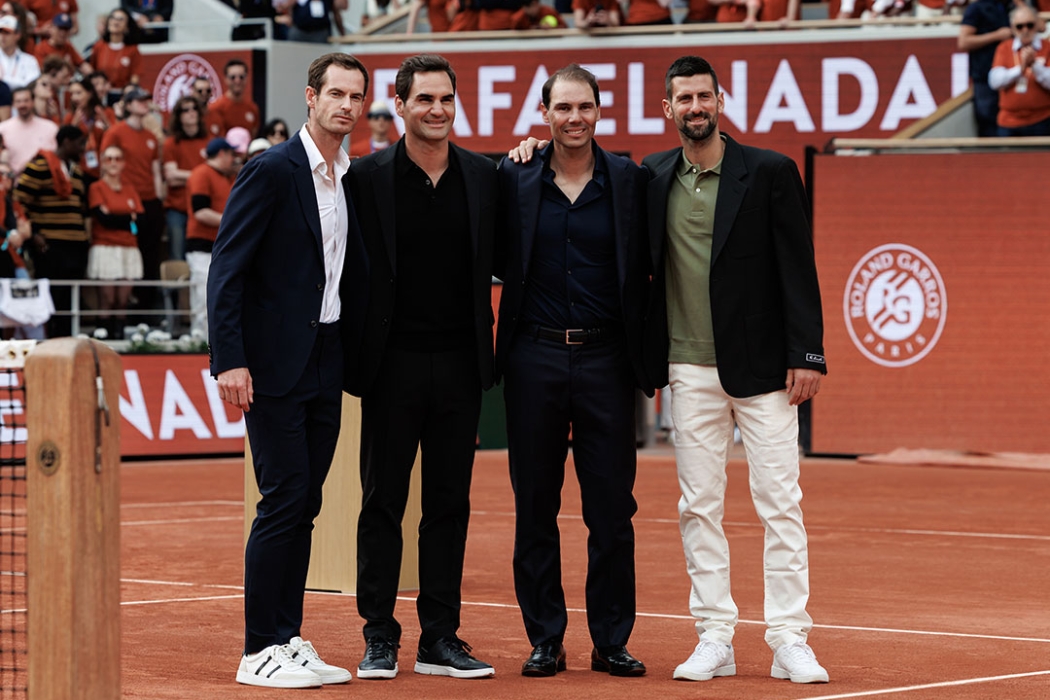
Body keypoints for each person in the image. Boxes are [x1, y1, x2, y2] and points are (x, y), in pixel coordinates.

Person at [642, 55, 828, 685]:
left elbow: (797, 267)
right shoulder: (653, 175)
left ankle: (788, 637)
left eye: (704, 95)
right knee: (699, 506)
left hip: (765, 371)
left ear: (720, 100)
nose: (695, 107)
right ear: (667, 109)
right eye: (683, 99)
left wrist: (806, 355)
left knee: (781, 504)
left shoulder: (771, 172)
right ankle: (714, 635)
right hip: (687, 367)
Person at [207, 52, 369, 690]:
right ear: (310, 97)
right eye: (336, 94)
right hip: (270, 365)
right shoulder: (272, 169)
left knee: (305, 502)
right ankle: (257, 650)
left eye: (355, 97)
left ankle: (286, 635)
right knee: (281, 501)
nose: (346, 106)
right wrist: (230, 359)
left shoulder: (351, 175)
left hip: (327, 361)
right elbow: (228, 268)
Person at [496, 63, 652, 679]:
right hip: (533, 357)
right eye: (563, 108)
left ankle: (611, 639)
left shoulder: (630, 181)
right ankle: (545, 638)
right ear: (545, 112)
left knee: (611, 508)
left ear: (598, 111)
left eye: (585, 107)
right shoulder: (514, 176)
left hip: (608, 359)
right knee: (535, 505)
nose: (574, 118)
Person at [345, 53, 498, 681]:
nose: (437, 109)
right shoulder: (364, 178)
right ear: (400, 107)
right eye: (424, 99)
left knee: (448, 505)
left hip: (461, 366)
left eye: (446, 99)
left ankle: (440, 637)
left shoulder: (485, 178)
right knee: (382, 501)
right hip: (391, 366)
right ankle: (378, 634)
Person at [14, 124, 87, 337]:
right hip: (50, 243)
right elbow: (19, 203)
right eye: (79, 143)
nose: (83, 148)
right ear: (66, 142)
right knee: (51, 295)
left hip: (75, 243)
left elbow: (80, 207)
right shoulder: (38, 166)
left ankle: (66, 338)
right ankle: (49, 339)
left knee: (69, 297)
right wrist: (34, 233)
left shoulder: (77, 170)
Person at [100, 86, 164, 310]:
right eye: (138, 100)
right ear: (127, 105)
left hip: (149, 200)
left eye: (146, 99)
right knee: (126, 255)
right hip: (125, 200)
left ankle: (147, 308)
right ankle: (122, 311)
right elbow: (106, 164)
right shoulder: (116, 132)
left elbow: (156, 170)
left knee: (150, 256)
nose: (144, 103)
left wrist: (158, 199)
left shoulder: (150, 137)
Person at [87, 144, 143, 338]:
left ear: (124, 163)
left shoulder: (129, 188)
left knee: (123, 298)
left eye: (117, 158)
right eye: (109, 159)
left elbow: (140, 218)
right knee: (107, 298)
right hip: (105, 245)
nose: (113, 163)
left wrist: (116, 217)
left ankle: (119, 333)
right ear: (102, 163)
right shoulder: (97, 188)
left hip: (129, 247)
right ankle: (103, 332)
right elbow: (104, 219)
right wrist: (128, 218)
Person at [185, 137, 235, 340]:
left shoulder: (224, 176)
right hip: (202, 245)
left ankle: (213, 340)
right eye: (231, 154)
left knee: (218, 296)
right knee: (203, 295)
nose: (233, 159)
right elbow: (200, 211)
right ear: (222, 154)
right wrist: (231, 221)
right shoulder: (202, 174)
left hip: (219, 245)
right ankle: (200, 340)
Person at [988, 4, 1050, 135]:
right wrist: (1021, 68)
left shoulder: (1047, 47)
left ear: (1037, 25)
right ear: (1013, 28)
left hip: (1043, 119)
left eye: (1030, 25)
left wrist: (1034, 65)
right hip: (1009, 122)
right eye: (1020, 26)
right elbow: (995, 81)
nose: (1025, 30)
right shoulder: (1004, 48)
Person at [959, 0, 1015, 136]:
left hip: (1011, 75)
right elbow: (963, 41)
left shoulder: (1009, 6)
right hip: (985, 75)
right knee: (987, 121)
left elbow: (1040, 26)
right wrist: (997, 36)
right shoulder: (976, 8)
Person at [162, 95, 208, 261]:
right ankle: (175, 288)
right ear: (178, 115)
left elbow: (213, 175)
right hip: (178, 208)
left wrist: (185, 175)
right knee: (177, 256)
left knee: (201, 256)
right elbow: (171, 177)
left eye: (195, 109)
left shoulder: (208, 142)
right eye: (186, 110)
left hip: (202, 209)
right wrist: (202, 176)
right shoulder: (171, 143)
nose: (191, 113)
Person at [0, 86, 57, 176]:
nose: (22, 105)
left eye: (26, 100)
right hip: (15, 184)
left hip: (45, 181)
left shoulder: (50, 128)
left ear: (33, 102)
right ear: (13, 104)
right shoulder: (3, 129)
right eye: (18, 101)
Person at [88, 9, 141, 95]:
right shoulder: (98, 46)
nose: (116, 22)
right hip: (100, 93)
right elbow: (92, 72)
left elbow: (135, 78)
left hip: (122, 95)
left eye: (121, 19)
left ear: (127, 26)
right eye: (113, 18)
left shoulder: (133, 49)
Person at [211, 59, 262, 137]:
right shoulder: (215, 108)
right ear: (225, 79)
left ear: (247, 78)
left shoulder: (252, 108)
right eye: (233, 77)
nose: (237, 81)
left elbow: (253, 136)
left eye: (241, 77)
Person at [0, 14, 40, 92]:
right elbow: (25, 84)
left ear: (17, 35)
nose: (2, 36)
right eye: (0, 32)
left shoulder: (29, 60)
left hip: (21, 102)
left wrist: (3, 80)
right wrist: (19, 82)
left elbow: (31, 85)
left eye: (7, 33)